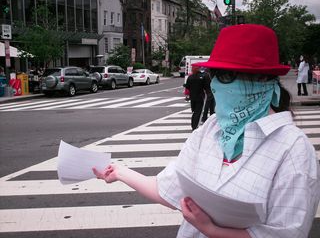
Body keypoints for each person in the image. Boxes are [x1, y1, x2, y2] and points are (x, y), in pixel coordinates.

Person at [93, 24, 320, 238]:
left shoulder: (293, 150)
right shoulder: (211, 129)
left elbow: (288, 233)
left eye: (226, 76)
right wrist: (119, 172)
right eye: (214, 76)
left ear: (262, 79)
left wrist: (212, 231)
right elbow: (169, 189)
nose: (216, 86)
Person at [184, 66, 206, 130]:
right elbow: (205, 86)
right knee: (198, 112)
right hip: (200, 97)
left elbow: (187, 86)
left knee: (194, 111)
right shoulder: (202, 77)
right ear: (198, 69)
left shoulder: (190, 77)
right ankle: (195, 126)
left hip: (192, 97)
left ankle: (193, 124)